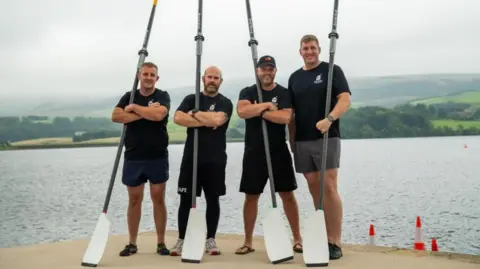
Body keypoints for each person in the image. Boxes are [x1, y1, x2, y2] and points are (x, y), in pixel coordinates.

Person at [287, 34, 352, 260]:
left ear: (319, 49)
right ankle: (323, 237)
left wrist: (330, 119)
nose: (309, 52)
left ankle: (335, 241)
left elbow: (345, 99)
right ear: (300, 51)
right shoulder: (294, 78)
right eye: (305, 48)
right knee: (314, 186)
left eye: (313, 48)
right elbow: (291, 114)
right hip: (302, 140)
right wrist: (292, 141)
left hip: (327, 136)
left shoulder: (332, 70)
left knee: (330, 186)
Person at [235, 55, 303, 255]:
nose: (267, 72)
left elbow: (284, 117)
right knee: (251, 196)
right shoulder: (248, 91)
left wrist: (260, 112)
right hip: (254, 151)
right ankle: (248, 241)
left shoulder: (283, 92)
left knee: (287, 195)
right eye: (263, 69)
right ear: (258, 71)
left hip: (277, 151)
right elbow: (242, 111)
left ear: (275, 71)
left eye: (270, 69)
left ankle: (297, 239)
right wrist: (265, 106)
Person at [169, 65, 233, 256]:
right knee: (186, 199)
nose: (212, 80)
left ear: (220, 81)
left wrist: (195, 115)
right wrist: (206, 119)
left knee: (213, 199)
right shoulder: (191, 99)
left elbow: (218, 121)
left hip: (215, 159)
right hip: (191, 158)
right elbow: (178, 118)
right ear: (203, 79)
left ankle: (210, 240)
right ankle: (182, 239)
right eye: (209, 77)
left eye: (216, 78)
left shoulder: (225, 102)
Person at [111, 62, 171, 256]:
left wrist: (134, 109)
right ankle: (132, 243)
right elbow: (116, 116)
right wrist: (146, 112)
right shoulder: (128, 95)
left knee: (158, 198)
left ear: (157, 78)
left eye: (152, 74)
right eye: (145, 74)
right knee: (134, 199)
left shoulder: (162, 96)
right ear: (139, 76)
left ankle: (161, 243)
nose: (148, 77)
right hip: (134, 155)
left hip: (157, 154)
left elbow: (159, 114)